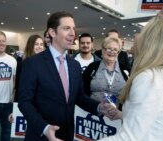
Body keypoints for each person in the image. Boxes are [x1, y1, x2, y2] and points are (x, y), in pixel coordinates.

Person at [18, 11, 116, 141]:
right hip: (40, 135)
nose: (72, 33)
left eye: (73, 29)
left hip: (67, 135)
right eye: (66, 28)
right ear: (52, 32)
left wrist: (99, 107)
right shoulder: (33, 63)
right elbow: (24, 102)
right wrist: (45, 128)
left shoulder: (74, 65)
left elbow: (79, 97)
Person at [97, 8, 163, 141]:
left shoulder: (150, 78)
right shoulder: (162, 76)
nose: (138, 39)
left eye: (143, 34)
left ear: (151, 42)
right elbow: (151, 121)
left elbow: (129, 138)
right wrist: (122, 115)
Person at [82, 37, 129, 109]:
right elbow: (82, 90)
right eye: (109, 48)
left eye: (115, 50)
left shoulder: (124, 70)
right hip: (92, 114)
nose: (112, 51)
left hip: (115, 116)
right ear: (103, 50)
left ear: (118, 53)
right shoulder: (92, 67)